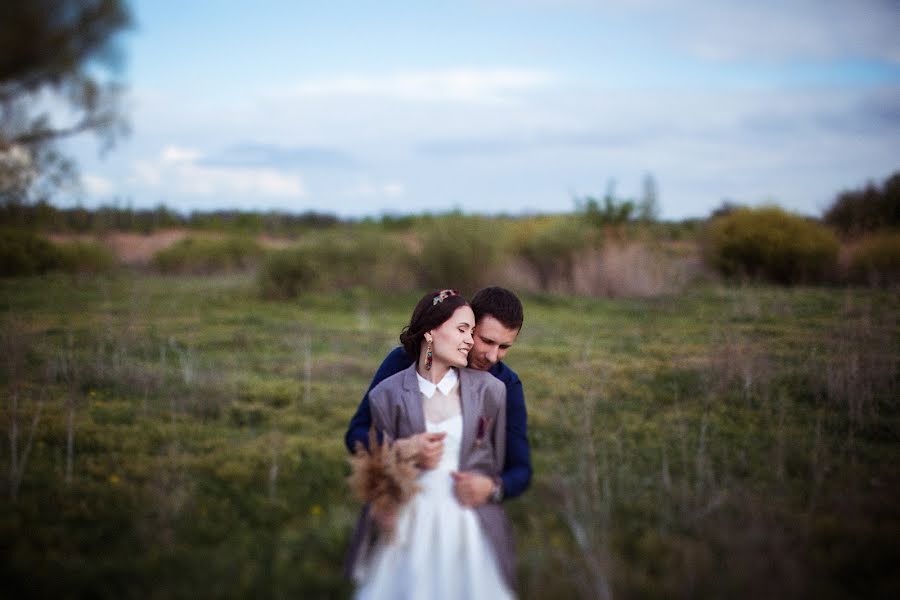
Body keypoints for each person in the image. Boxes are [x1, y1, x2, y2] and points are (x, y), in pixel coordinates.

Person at [347, 289, 515, 598]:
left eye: (472, 331)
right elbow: (363, 444)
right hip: (408, 522)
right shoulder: (388, 393)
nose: (470, 340)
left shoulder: (492, 391)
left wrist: (488, 488)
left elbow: (496, 460)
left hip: (466, 526)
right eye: (462, 330)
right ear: (430, 332)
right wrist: (402, 451)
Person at [346, 286, 531, 507]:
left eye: (504, 347)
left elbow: (520, 469)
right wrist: (400, 449)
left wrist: (492, 488)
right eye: (487, 341)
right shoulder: (405, 361)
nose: (492, 356)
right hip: (403, 501)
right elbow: (356, 434)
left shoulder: (505, 384)